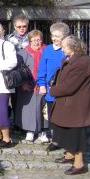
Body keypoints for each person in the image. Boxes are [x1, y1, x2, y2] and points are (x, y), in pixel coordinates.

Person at [49, 35, 90, 175]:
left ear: (73, 47)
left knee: (75, 134)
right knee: (65, 130)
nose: (62, 49)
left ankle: (79, 164)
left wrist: (52, 90)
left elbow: (70, 86)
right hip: (68, 103)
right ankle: (69, 155)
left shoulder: (82, 62)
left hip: (76, 104)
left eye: (64, 47)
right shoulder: (73, 59)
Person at [36, 22, 70, 151]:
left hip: (65, 90)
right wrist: (41, 84)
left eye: (57, 36)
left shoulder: (67, 51)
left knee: (65, 116)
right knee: (52, 116)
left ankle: (66, 139)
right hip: (51, 90)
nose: (54, 38)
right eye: (52, 35)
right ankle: (55, 140)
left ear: (65, 37)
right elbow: (42, 69)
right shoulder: (48, 50)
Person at [14, 30, 46, 142]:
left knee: (43, 109)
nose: (36, 42)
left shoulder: (46, 51)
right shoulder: (23, 53)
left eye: (39, 40)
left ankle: (43, 131)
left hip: (43, 85)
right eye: (34, 40)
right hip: (28, 85)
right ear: (29, 41)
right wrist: (22, 83)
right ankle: (29, 131)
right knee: (29, 109)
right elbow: (17, 70)